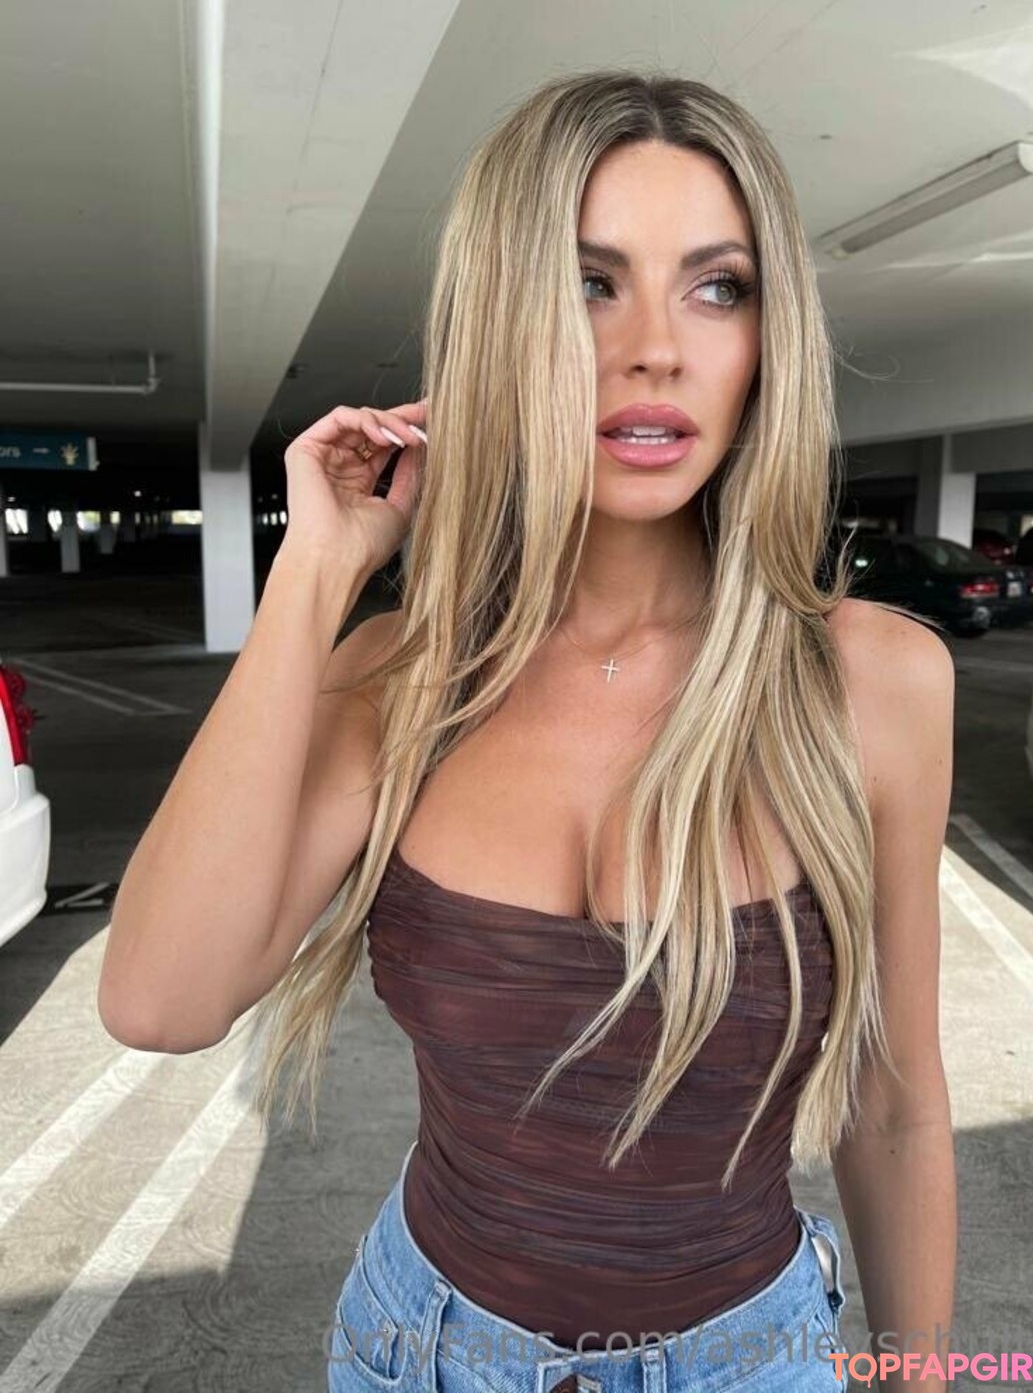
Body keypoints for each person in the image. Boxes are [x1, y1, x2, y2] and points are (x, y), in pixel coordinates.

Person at [98, 70, 957, 1392]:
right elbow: (160, 1001)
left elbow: (894, 1107)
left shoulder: (875, 682)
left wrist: (920, 1377)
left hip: (758, 1360)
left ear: (768, 338)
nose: (655, 348)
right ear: (505, 321)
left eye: (717, 287)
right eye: (589, 283)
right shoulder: (403, 681)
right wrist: (315, 575)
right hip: (420, 1354)